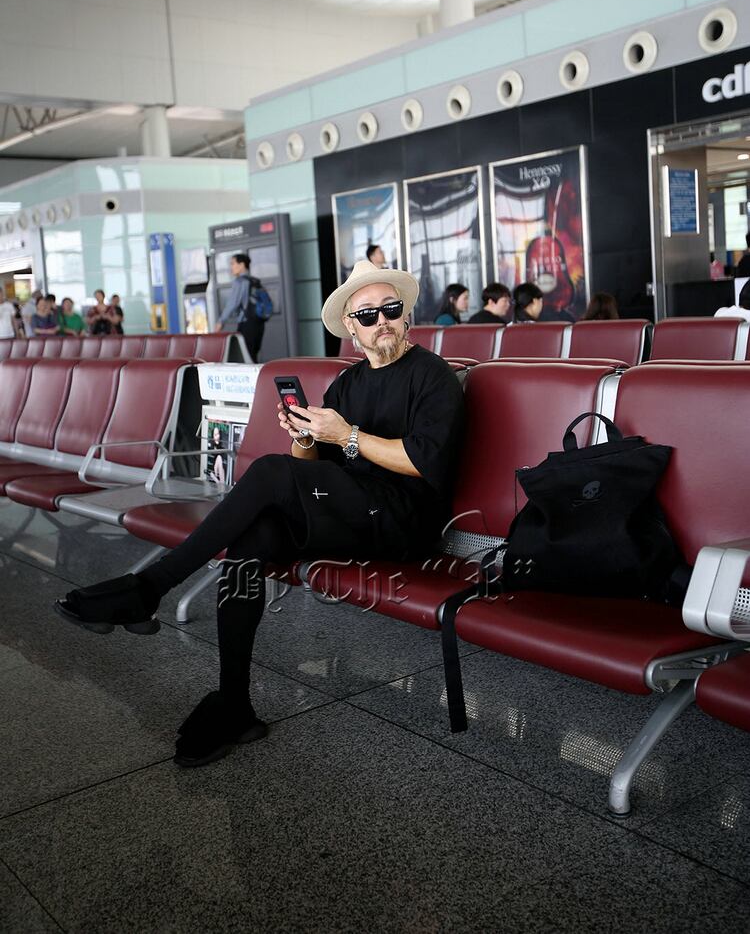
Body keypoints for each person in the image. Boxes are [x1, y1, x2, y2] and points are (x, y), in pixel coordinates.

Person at [54, 260, 465, 768]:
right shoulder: (347, 385)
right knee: (256, 537)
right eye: (367, 314)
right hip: (352, 512)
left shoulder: (433, 375)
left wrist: (347, 435)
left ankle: (151, 586)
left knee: (270, 472)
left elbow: (424, 462)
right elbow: (314, 470)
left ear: (405, 317)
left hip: (405, 520)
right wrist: (305, 438)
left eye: (390, 309)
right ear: (352, 329)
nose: (380, 320)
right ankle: (234, 702)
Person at [214, 253, 265, 363]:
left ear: (241, 265)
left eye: (233, 263)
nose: (231, 267)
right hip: (258, 323)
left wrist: (221, 321)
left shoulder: (240, 281)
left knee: (247, 357)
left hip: (246, 324)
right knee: (253, 355)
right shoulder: (254, 281)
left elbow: (233, 303)